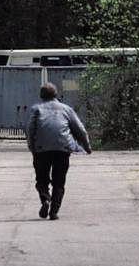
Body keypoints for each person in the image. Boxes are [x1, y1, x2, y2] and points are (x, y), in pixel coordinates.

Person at [25, 82, 91, 221]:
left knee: (41, 179)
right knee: (59, 182)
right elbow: (80, 130)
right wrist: (87, 146)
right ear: (56, 94)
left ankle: (45, 199)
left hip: (41, 150)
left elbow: (30, 129)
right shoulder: (66, 109)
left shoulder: (36, 109)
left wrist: (32, 147)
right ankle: (54, 211)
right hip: (62, 148)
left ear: (41, 95)